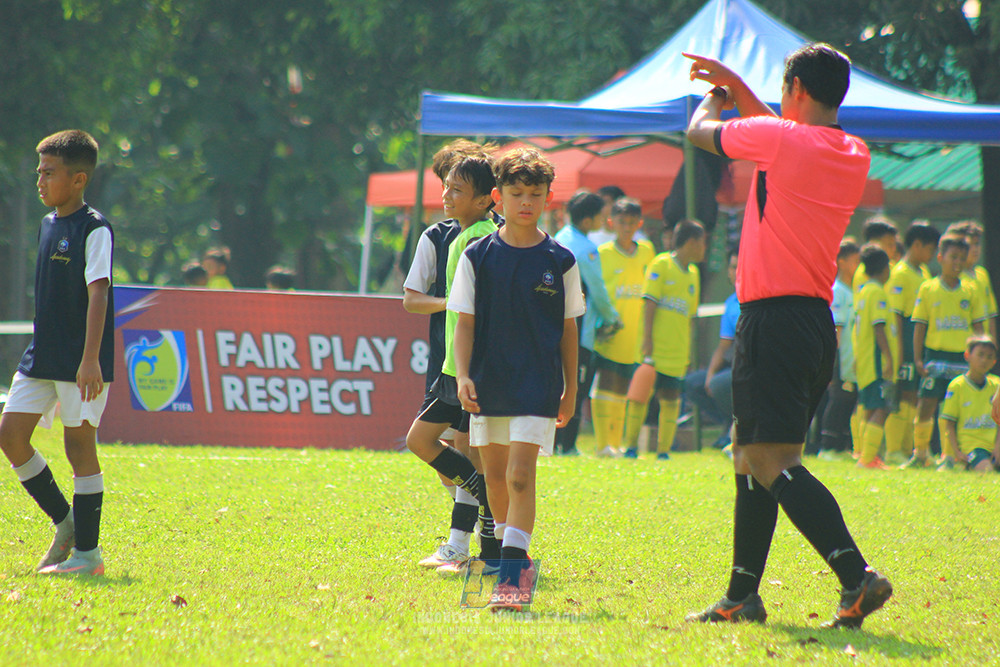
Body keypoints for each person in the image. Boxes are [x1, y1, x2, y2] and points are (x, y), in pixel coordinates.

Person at [683, 43, 892, 628]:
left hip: (770, 319)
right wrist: (741, 90)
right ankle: (740, 597)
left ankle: (857, 577)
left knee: (766, 457)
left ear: (796, 87)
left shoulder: (781, 140)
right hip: (812, 321)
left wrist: (712, 100)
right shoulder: (852, 150)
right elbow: (778, 128)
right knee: (750, 457)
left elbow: (705, 134)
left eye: (781, 89)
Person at [451, 147, 584, 612]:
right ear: (497, 197)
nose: (525, 201)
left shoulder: (561, 259)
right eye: (515, 192)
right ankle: (515, 556)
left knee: (520, 476)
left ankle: (512, 582)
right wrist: (463, 375)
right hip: (488, 383)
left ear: (549, 197)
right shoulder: (477, 255)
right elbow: (463, 322)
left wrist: (571, 387)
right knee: (495, 480)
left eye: (534, 193)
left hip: (538, 386)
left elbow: (569, 329)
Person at [0, 130, 113, 576]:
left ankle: (88, 556)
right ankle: (66, 524)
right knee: (10, 435)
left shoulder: (95, 228)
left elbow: (99, 294)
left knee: (78, 446)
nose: (40, 180)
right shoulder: (48, 223)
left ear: (79, 179)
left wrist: (90, 359)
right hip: (41, 355)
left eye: (49, 172)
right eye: (39, 171)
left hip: (79, 360)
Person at [403, 148, 500, 572]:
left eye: (456, 188)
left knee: (434, 444)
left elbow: (476, 307)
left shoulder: (477, 237)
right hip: (454, 366)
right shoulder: (453, 234)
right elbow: (417, 301)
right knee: (458, 450)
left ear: (484, 198)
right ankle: (471, 534)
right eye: (445, 184)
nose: (446, 194)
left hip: (467, 368)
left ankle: (481, 533)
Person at [622, 219, 705, 460]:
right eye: (702, 243)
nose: (703, 249)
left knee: (671, 400)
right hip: (654, 348)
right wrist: (647, 340)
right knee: (640, 396)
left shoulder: (693, 274)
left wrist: (689, 351)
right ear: (690, 243)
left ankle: (663, 452)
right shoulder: (661, 264)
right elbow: (650, 303)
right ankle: (631, 448)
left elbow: (690, 316)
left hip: (677, 352)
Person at [904, 235, 986, 468]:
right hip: (936, 356)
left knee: (953, 410)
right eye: (953, 257)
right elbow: (919, 326)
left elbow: (979, 328)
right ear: (941, 258)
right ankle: (920, 453)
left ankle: (949, 457)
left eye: (962, 258)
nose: (957, 262)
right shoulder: (928, 288)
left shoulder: (971, 290)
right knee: (926, 404)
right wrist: (918, 358)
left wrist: (981, 355)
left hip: (962, 358)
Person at [553, 191, 621, 455]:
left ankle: (553, 442)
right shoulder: (586, 249)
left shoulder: (559, 238)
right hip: (579, 328)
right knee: (576, 385)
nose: (604, 220)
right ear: (589, 219)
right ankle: (567, 445)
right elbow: (598, 291)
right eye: (602, 216)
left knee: (557, 382)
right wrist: (613, 318)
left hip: (555, 325)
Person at [592, 198, 655, 457]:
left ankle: (615, 445)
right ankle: (602, 444)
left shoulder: (647, 251)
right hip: (611, 331)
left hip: (636, 333)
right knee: (606, 383)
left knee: (623, 389)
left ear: (639, 223)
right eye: (621, 222)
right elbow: (597, 291)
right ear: (611, 223)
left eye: (631, 223)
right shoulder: (602, 253)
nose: (626, 227)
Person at [882, 222, 940, 464]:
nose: (932, 255)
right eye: (930, 249)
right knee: (904, 394)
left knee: (914, 395)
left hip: (920, 342)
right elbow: (895, 313)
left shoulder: (924, 272)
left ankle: (910, 450)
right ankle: (894, 449)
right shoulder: (900, 273)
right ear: (916, 245)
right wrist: (898, 349)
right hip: (904, 339)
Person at [683, 248, 739, 450]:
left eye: (741, 267)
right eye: (733, 267)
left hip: (753, 369)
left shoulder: (756, 298)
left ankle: (736, 429)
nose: (736, 272)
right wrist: (710, 374)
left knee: (719, 384)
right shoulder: (731, 302)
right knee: (693, 383)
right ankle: (728, 424)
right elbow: (723, 345)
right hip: (732, 366)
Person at [852, 245, 897, 469]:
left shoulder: (863, 291)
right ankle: (868, 459)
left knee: (870, 409)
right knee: (882, 407)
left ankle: (866, 455)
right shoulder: (877, 291)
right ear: (884, 268)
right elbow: (878, 327)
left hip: (866, 362)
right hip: (877, 363)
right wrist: (889, 358)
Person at [816, 240, 861, 459]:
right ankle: (827, 446)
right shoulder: (838, 291)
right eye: (855, 261)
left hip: (852, 359)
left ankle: (842, 446)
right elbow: (837, 329)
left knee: (849, 400)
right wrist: (832, 360)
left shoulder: (854, 290)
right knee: (839, 399)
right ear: (841, 262)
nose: (859, 266)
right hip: (840, 360)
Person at [939, 336, 1000, 472]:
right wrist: (956, 452)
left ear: (994, 361)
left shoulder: (997, 385)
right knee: (986, 470)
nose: (984, 360)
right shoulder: (957, 386)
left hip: (994, 446)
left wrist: (998, 448)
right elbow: (949, 423)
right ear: (967, 355)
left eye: (989, 357)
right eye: (980, 355)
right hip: (972, 448)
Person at [949, 221, 998, 341]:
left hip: (983, 345)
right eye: (970, 245)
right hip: (964, 344)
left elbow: (991, 314)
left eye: (977, 244)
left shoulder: (982, 274)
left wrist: (993, 344)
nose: (975, 249)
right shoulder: (954, 277)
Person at [853, 218, 899, 293]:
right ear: (873, 244)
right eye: (890, 245)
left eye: (894, 245)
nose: (894, 249)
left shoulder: (892, 267)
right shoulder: (865, 272)